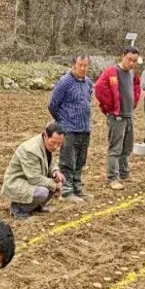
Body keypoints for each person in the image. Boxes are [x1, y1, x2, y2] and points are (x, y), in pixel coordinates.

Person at [94, 47, 141, 190]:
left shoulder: (132, 74)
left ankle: (124, 173)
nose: (131, 63)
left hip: (128, 115)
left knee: (127, 147)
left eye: (134, 61)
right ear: (122, 56)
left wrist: (134, 102)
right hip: (117, 117)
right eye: (129, 59)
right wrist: (110, 107)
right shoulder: (111, 72)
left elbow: (136, 88)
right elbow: (99, 88)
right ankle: (112, 177)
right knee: (115, 148)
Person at [48, 55, 93, 204]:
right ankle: (66, 191)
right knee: (68, 161)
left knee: (80, 161)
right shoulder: (65, 82)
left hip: (84, 128)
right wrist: (63, 121)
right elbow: (53, 105)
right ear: (74, 65)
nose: (83, 68)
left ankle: (77, 187)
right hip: (69, 129)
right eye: (80, 65)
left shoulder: (88, 82)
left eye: (86, 66)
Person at [1, 123, 66, 220]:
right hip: (17, 182)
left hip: (30, 180)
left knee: (60, 179)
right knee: (43, 191)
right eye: (53, 142)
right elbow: (34, 179)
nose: (56, 147)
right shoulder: (31, 150)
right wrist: (55, 185)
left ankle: (36, 206)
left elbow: (49, 162)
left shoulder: (45, 144)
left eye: (59, 144)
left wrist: (55, 172)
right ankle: (17, 209)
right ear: (45, 135)